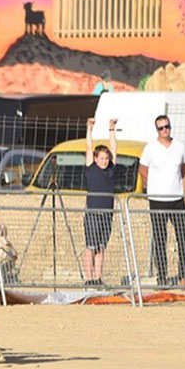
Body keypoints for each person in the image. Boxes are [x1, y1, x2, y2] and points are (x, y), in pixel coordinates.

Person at [139, 115, 185, 287]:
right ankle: (162, 276)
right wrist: (153, 187)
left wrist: (175, 185)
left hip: (177, 198)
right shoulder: (150, 148)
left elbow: (184, 168)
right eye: (161, 128)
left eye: (167, 126)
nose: (165, 130)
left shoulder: (180, 146)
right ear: (157, 131)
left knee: (183, 238)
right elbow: (143, 170)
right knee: (160, 239)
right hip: (157, 200)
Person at [82, 117, 118, 286]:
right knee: (90, 246)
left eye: (106, 158)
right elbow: (89, 147)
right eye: (101, 158)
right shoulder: (91, 167)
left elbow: (114, 149)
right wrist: (90, 129)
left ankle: (97, 278)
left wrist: (112, 129)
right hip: (93, 213)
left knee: (101, 247)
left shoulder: (110, 169)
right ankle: (88, 279)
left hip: (107, 213)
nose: (104, 161)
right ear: (96, 159)